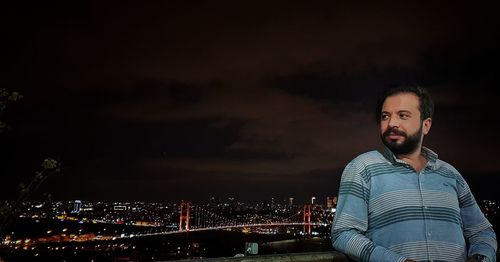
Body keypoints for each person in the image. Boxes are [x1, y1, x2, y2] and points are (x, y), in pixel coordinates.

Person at [331, 85, 497, 262]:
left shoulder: (451, 175)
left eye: (403, 115)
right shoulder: (362, 168)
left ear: (426, 125)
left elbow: (482, 231)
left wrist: (481, 258)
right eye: (385, 116)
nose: (392, 123)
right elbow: (343, 233)